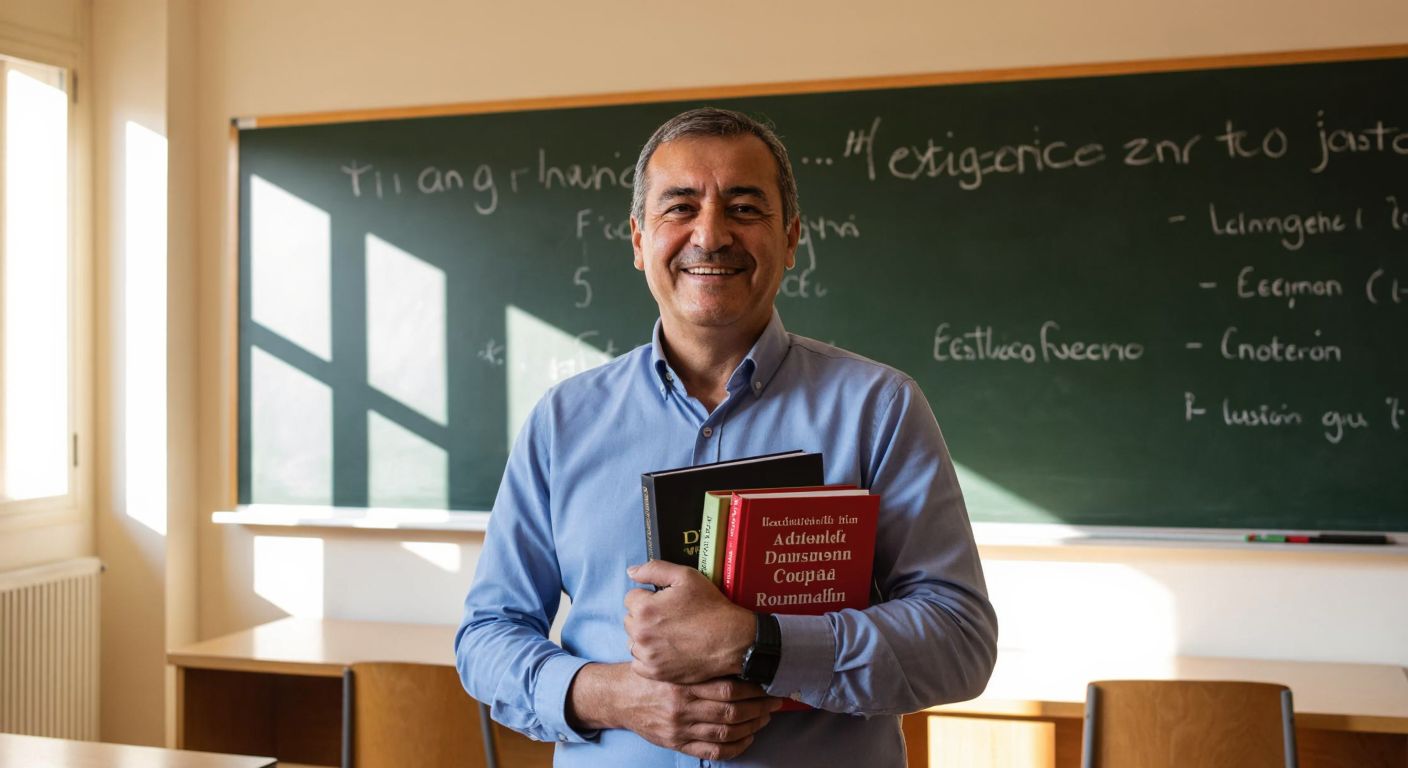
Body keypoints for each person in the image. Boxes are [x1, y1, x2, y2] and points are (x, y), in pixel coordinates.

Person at [456, 107, 998, 766]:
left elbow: (959, 642)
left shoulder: (878, 409)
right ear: (637, 240)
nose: (710, 236)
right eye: (679, 208)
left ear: (792, 238)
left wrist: (760, 644)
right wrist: (611, 695)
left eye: (744, 208)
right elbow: (487, 636)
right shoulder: (563, 421)